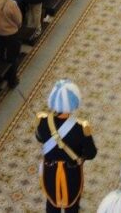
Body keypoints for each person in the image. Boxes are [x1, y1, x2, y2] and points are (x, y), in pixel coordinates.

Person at [37, 80, 98, 213]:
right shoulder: (80, 127)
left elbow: (40, 138)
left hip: (50, 172)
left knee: (51, 204)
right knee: (72, 206)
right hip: (71, 173)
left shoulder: (42, 121)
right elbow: (91, 153)